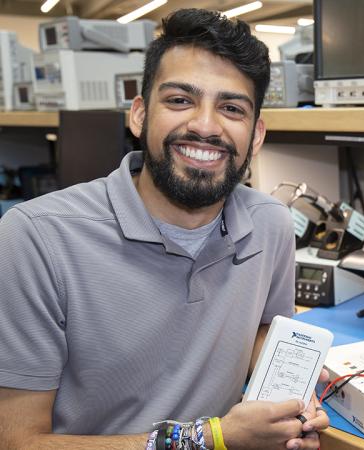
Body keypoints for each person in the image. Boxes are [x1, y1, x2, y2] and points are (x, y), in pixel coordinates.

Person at [0, 8, 328, 450]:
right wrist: (212, 439)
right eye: (179, 100)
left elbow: (263, 327)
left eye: (231, 108)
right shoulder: (37, 237)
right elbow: (20, 442)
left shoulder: (270, 224)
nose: (206, 126)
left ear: (256, 136)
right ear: (138, 115)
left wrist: (290, 394)